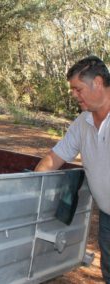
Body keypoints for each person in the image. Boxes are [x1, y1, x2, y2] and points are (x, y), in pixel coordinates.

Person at [35, 55, 110, 283]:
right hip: (107, 217)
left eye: (78, 89)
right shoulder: (83, 122)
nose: (74, 95)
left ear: (97, 82)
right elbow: (54, 158)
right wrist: (28, 185)